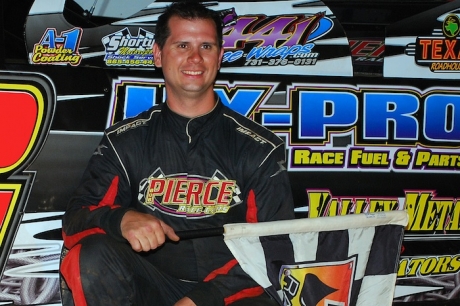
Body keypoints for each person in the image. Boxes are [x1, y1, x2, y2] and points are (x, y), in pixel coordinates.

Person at [60, 2, 295, 305]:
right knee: (89, 256)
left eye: (206, 46)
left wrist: (203, 299)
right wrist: (122, 219)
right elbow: (75, 220)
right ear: (158, 55)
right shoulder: (125, 142)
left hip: (230, 294)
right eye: (182, 44)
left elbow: (276, 249)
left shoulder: (259, 148)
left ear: (220, 57)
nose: (195, 57)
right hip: (153, 286)